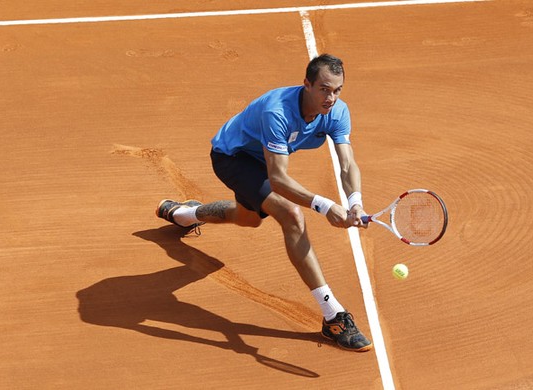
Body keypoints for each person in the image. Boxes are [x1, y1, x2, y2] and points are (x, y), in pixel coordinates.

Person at [156, 54, 372, 352]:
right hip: (232, 158)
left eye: (337, 90)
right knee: (291, 214)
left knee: (249, 218)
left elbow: (347, 165)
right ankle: (333, 315)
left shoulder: (337, 112)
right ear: (306, 84)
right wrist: (324, 206)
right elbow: (279, 179)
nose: (331, 98)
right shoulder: (278, 111)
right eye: (324, 89)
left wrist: (355, 202)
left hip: (263, 163)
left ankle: (186, 213)